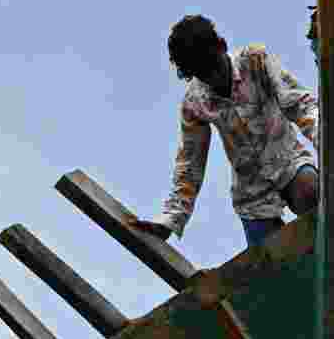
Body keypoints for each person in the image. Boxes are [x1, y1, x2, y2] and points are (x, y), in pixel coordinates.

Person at [132, 15, 322, 247]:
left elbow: (300, 105)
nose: (213, 78)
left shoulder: (256, 61)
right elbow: (190, 165)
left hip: (289, 163)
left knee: (313, 194)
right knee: (271, 263)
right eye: (203, 75)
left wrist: (331, 141)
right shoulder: (195, 103)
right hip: (252, 192)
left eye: (213, 67)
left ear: (221, 46)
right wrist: (170, 219)